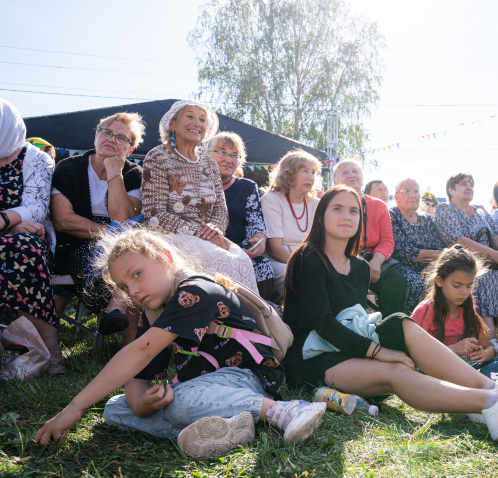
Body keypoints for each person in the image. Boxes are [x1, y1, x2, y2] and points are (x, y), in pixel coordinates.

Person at [281, 185, 498, 442]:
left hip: (347, 347)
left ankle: (497, 391)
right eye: (337, 209)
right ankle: (494, 404)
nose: (347, 216)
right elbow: (324, 324)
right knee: (397, 370)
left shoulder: (359, 266)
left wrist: (382, 345)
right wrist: (380, 352)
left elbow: (355, 318)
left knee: (400, 321)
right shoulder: (309, 258)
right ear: (321, 215)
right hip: (311, 358)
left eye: (354, 211)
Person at [33, 229, 326, 457]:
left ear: (165, 258)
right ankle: (219, 432)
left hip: (248, 378)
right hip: (203, 388)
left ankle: (284, 410)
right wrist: (141, 405)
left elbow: (139, 352)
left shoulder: (194, 291)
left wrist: (75, 407)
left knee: (176, 406)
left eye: (137, 274)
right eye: (124, 286)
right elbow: (138, 380)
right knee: (115, 409)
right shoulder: (153, 311)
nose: (133, 291)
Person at [141, 100, 257, 291]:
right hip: (170, 237)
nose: (197, 123)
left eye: (202, 119)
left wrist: (215, 230)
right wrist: (203, 234)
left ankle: (244, 311)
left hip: (208, 238)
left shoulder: (209, 164)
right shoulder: (158, 157)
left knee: (242, 259)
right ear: (172, 124)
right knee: (217, 260)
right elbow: (155, 214)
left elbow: (221, 211)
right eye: (190, 116)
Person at [51, 112, 145, 343]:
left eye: (121, 138)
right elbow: (63, 220)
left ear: (130, 150)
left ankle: (126, 339)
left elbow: (122, 218)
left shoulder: (133, 174)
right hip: (73, 245)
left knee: (136, 257)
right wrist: (110, 233)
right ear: (96, 137)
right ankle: (115, 309)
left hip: (124, 247)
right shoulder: (69, 167)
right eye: (107, 132)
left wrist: (114, 172)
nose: (112, 139)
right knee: (120, 255)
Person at [0, 99, 64, 373]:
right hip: (13, 231)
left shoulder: (36, 159)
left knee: (22, 248)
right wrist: (11, 225)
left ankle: (51, 351)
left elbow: (36, 208)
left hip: (27, 239)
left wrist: (5, 222)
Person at [434, 172, 498, 337]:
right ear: (451, 190)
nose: (469, 187)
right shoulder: (445, 209)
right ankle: (488, 335)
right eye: (463, 184)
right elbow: (457, 240)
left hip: (490, 261)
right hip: (463, 262)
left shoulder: (480, 210)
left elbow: (497, 235)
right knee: (482, 278)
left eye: (471, 184)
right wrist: (493, 254)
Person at [412, 245, 498, 379]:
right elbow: (414, 354)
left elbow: (490, 348)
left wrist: (484, 354)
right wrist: (454, 349)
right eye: (457, 286)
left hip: (461, 371)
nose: (464, 292)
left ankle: (474, 384)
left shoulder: (466, 309)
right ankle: (477, 385)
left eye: (469, 286)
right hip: (432, 373)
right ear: (439, 281)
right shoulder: (424, 310)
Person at [206, 132, 273, 299]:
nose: (229, 160)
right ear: (207, 155)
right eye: (222, 152)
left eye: (235, 155)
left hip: (240, 251)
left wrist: (259, 240)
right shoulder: (197, 184)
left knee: (263, 266)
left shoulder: (248, 187)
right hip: (205, 249)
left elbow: (255, 221)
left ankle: (264, 313)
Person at [332, 160, 402, 315]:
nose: (351, 175)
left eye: (355, 171)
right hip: (342, 258)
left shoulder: (379, 205)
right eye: (345, 173)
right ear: (335, 182)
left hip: (373, 258)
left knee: (396, 280)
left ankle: (388, 324)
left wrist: (376, 262)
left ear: (362, 178)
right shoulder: (329, 204)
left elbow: (387, 240)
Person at [260, 150, 320, 298]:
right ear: (289, 174)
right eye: (305, 170)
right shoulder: (271, 199)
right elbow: (275, 248)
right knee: (303, 279)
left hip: (312, 262)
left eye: (313, 172)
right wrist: (304, 266)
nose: (311, 177)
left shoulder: (317, 203)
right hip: (280, 262)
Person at [389, 178, 445, 315]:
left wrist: (432, 264)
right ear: (396, 197)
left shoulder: (425, 219)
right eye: (406, 191)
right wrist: (437, 255)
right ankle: (410, 323)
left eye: (416, 191)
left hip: (427, 265)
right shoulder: (392, 215)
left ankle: (442, 324)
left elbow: (439, 246)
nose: (412, 195)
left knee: (449, 278)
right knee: (418, 284)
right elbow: (404, 252)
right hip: (400, 265)